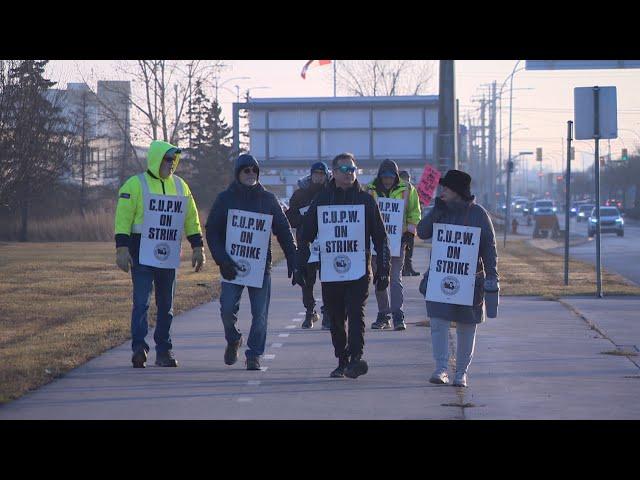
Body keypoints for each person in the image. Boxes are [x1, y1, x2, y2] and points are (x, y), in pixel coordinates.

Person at [294, 152, 390, 379]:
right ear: (334, 173)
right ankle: (342, 359)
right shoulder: (323, 200)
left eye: (353, 169)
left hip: (359, 270)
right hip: (331, 271)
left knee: (356, 313)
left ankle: (356, 359)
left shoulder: (366, 199)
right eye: (345, 169)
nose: (350, 173)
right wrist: (300, 265)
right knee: (336, 317)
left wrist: (383, 269)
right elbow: (306, 234)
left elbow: (381, 236)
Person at [114, 140, 205, 368]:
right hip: (141, 253)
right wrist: (122, 248)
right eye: (167, 158)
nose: (171, 163)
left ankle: (164, 351)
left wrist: (198, 246)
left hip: (168, 254)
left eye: (174, 159)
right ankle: (139, 349)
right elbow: (123, 218)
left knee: (167, 306)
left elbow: (190, 217)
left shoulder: (181, 186)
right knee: (141, 303)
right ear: (156, 159)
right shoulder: (135, 185)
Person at [206, 153, 297, 371]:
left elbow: (283, 230)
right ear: (238, 173)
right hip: (231, 265)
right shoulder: (225, 199)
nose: (250, 173)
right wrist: (222, 260)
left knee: (260, 313)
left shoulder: (268, 199)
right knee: (227, 309)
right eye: (246, 170)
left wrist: (294, 259)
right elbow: (212, 231)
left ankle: (254, 354)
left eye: (254, 170)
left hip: (260, 266)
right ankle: (233, 338)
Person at [417, 169, 499, 387]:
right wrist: (435, 212)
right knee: (438, 323)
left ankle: (461, 372)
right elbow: (422, 232)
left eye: (446, 188)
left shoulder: (479, 214)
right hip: (440, 277)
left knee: (466, 325)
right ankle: (441, 368)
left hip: (470, 280)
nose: (441, 190)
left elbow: (489, 248)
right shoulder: (439, 211)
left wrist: (492, 276)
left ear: (458, 191)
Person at [367, 161, 421, 331]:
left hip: (398, 241)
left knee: (395, 280)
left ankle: (398, 314)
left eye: (391, 177)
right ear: (380, 176)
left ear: (396, 176)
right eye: (384, 177)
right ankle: (383, 314)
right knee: (380, 278)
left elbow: (414, 212)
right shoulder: (370, 190)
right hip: (376, 243)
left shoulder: (408, 189)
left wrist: (410, 234)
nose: (388, 181)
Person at [286, 162, 331, 329]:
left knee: (328, 280)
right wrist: (306, 220)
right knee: (306, 281)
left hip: (328, 244)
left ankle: (327, 313)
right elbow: (290, 217)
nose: (319, 177)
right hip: (306, 243)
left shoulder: (331, 192)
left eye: (322, 174)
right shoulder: (299, 195)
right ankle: (310, 311)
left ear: (326, 175)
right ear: (311, 175)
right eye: (316, 174)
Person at [399, 170, 421, 277]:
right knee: (402, 248)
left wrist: (414, 221)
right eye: (405, 179)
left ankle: (408, 268)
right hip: (401, 224)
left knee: (409, 248)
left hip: (409, 223)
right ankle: (403, 269)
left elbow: (415, 207)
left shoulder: (412, 189)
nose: (407, 181)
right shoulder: (398, 189)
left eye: (408, 179)